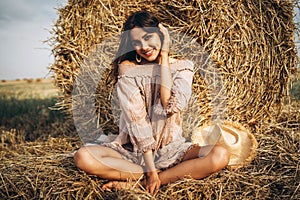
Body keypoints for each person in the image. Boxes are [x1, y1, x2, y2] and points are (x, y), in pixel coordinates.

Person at [74, 10, 229, 195]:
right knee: (82, 157)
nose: (144, 46)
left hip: (172, 149)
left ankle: (143, 182)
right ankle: (154, 176)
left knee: (220, 155)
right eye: (136, 42)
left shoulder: (183, 67)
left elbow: (171, 105)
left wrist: (164, 57)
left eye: (148, 37)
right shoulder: (128, 69)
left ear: (160, 34)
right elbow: (137, 121)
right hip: (133, 151)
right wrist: (149, 170)